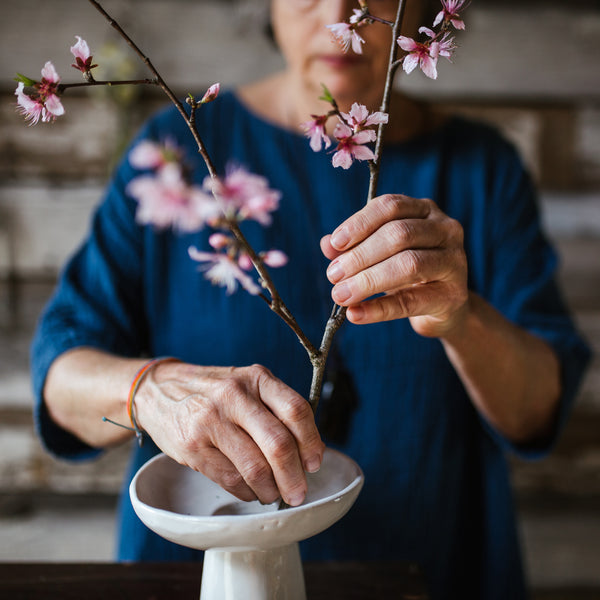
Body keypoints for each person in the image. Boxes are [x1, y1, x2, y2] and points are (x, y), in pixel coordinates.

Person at [31, 1, 590, 598]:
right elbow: (60, 379)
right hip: (200, 581)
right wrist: (148, 389)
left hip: (427, 575)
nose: (339, 10)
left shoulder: (481, 169)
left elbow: (538, 411)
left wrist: (460, 316)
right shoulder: (181, 154)